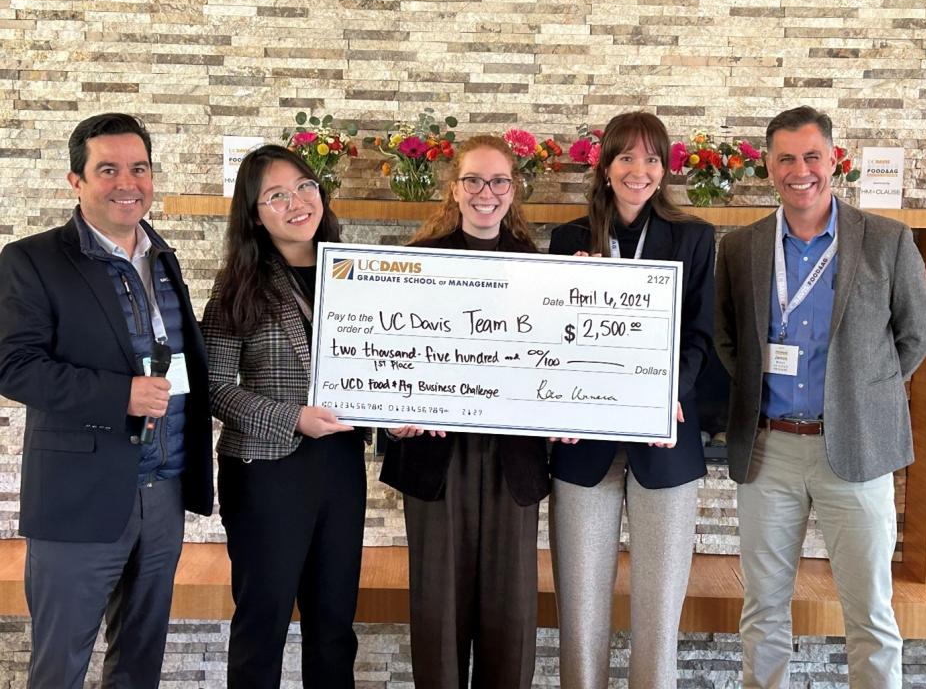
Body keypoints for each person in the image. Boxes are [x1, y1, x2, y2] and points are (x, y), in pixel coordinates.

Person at [714, 105, 926, 689]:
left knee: (870, 615)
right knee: (762, 613)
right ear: (768, 166)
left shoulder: (887, 240)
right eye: (785, 158)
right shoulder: (741, 248)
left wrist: (859, 394)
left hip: (857, 449)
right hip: (769, 453)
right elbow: (728, 339)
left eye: (812, 155)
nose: (800, 170)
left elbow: (916, 335)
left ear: (834, 159)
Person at [0, 112, 214, 688]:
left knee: (139, 663)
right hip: (78, 502)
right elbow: (13, 367)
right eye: (108, 169)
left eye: (139, 168)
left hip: (163, 492)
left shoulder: (163, 260)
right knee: (60, 667)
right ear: (77, 181)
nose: (128, 182)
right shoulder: (31, 261)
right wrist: (121, 394)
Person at [548, 111, 715, 689]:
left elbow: (700, 333)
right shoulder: (569, 240)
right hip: (583, 446)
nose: (638, 170)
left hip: (663, 442)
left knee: (657, 617)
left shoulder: (693, 237)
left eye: (650, 159)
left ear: (664, 170)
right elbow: (550, 337)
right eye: (625, 157)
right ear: (605, 166)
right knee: (581, 615)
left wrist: (671, 392)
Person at [379, 135, 550, 689]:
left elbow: (556, 362)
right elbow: (385, 352)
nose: (486, 192)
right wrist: (389, 413)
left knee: (511, 616)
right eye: (474, 180)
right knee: (437, 613)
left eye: (498, 181)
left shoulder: (543, 271)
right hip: (436, 460)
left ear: (513, 190)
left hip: (513, 462)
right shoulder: (415, 264)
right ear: (454, 188)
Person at [201, 145, 366, 688]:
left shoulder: (360, 274)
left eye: (305, 186)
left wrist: (399, 412)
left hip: (341, 466)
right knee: (263, 622)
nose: (297, 202)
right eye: (276, 195)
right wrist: (292, 417)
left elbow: (390, 365)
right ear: (254, 213)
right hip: (267, 471)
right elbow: (213, 387)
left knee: (335, 625)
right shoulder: (238, 286)